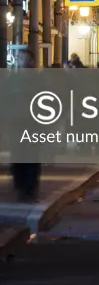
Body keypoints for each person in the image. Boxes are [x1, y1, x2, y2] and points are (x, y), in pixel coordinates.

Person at [11, 48, 41, 201]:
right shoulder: (13, 79)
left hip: (32, 125)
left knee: (30, 157)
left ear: (30, 62)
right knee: (17, 156)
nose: (20, 61)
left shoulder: (36, 81)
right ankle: (20, 186)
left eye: (23, 59)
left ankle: (29, 188)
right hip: (16, 124)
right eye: (19, 58)